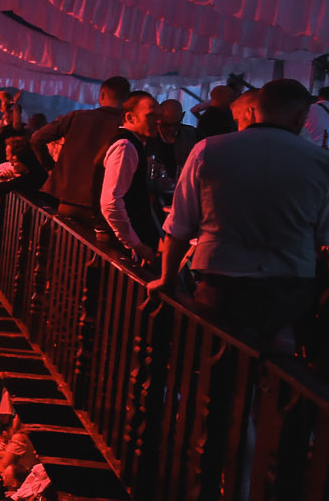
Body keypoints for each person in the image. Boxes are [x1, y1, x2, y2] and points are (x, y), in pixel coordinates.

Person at [148, 77, 329, 350]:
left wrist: (168, 279)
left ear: (256, 109)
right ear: (300, 115)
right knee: (273, 361)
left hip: (221, 277)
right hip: (289, 284)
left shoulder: (209, 150)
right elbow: (323, 236)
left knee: (215, 355)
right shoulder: (321, 163)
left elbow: (179, 226)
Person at [30, 75, 131, 227]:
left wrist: (50, 167)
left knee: (63, 240)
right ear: (127, 98)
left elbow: (36, 139)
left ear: (102, 94)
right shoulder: (126, 127)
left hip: (68, 199)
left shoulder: (77, 117)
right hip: (103, 209)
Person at [97, 90, 164, 264]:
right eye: (151, 115)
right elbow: (111, 202)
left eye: (159, 116)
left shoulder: (129, 144)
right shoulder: (125, 146)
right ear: (130, 117)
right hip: (120, 244)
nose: (158, 121)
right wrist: (136, 245)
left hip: (122, 240)